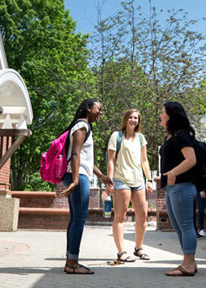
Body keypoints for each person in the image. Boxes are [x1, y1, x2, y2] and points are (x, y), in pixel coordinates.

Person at [60, 99, 113, 275]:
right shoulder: (82, 126)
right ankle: (73, 263)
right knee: (79, 219)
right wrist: (75, 180)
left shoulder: (82, 126)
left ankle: (70, 261)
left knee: (75, 219)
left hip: (79, 174)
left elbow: (84, 158)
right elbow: (75, 154)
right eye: (99, 109)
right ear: (89, 108)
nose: (100, 112)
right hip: (78, 176)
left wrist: (101, 176)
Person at [104, 109, 153, 262]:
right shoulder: (116, 136)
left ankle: (138, 248)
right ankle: (121, 252)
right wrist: (109, 181)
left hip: (138, 180)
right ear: (126, 119)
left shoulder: (140, 138)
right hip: (121, 179)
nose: (133, 120)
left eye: (136, 118)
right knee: (120, 216)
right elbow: (111, 160)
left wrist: (149, 179)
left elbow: (144, 160)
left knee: (143, 216)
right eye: (131, 117)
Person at [159, 101, 198, 276]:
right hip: (172, 187)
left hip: (182, 186)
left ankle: (188, 265)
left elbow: (191, 159)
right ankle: (190, 262)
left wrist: (174, 172)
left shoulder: (181, 135)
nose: (160, 115)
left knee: (186, 225)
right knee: (179, 227)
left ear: (171, 116)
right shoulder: (171, 136)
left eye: (163, 112)